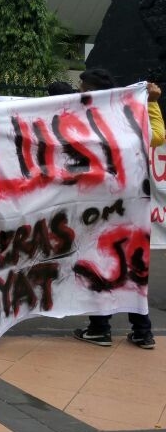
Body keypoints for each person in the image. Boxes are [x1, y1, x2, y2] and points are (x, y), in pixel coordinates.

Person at [73, 69, 163, 350]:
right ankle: (142, 331)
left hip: (97, 209)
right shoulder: (129, 121)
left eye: (83, 88)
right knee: (132, 265)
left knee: (100, 263)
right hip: (131, 208)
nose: (79, 93)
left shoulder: (81, 124)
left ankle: (100, 328)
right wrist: (152, 104)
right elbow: (158, 135)